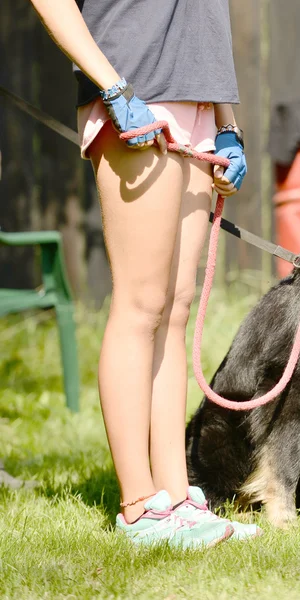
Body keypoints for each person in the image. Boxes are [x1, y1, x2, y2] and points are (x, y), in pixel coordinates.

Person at [30, 0, 258, 548]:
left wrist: (228, 125)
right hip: (134, 98)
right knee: (141, 304)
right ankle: (139, 509)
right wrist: (113, 88)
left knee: (174, 310)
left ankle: (175, 498)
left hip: (201, 111)